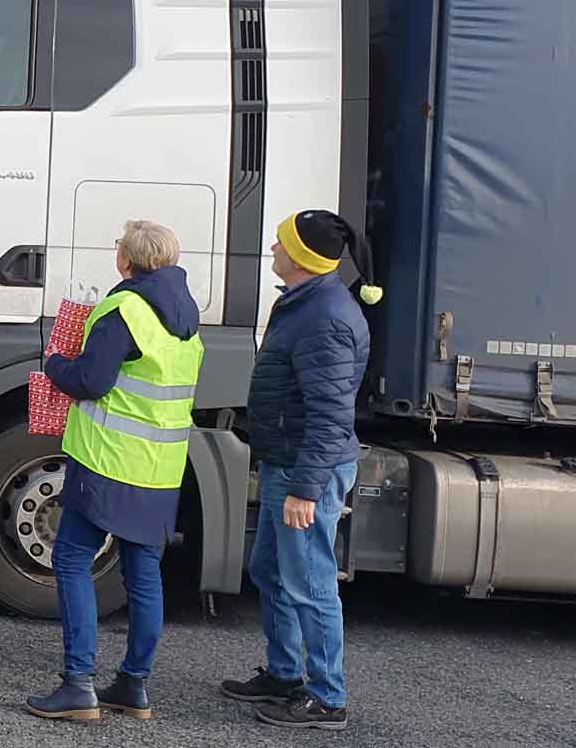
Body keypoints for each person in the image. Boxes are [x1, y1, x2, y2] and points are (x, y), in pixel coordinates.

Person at [25, 220, 204, 723]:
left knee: (72, 561)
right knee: (144, 575)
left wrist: (56, 363)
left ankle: (78, 684)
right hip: (159, 468)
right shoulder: (188, 317)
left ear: (128, 260)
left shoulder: (124, 307)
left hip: (107, 460)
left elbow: (91, 380)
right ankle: (133, 685)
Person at [221, 210, 379, 731]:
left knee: (310, 582)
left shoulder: (325, 317)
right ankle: (286, 675)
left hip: (303, 472)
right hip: (286, 463)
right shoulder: (305, 304)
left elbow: (331, 414)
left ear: (302, 257)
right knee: (270, 570)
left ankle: (327, 696)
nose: (272, 247)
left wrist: (306, 490)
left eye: (281, 243)